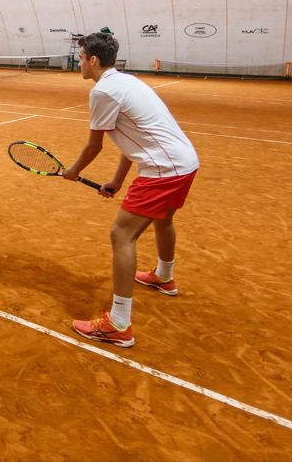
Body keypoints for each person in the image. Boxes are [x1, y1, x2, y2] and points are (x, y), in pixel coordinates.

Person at [62, 32, 200, 348]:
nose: (79, 62)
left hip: (163, 170)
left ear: (93, 60)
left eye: (81, 57)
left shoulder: (102, 92)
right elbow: (131, 137)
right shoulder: (127, 82)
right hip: (185, 162)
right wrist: (118, 179)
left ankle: (118, 324)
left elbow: (93, 145)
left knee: (121, 235)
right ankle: (164, 277)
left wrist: (74, 171)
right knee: (163, 220)